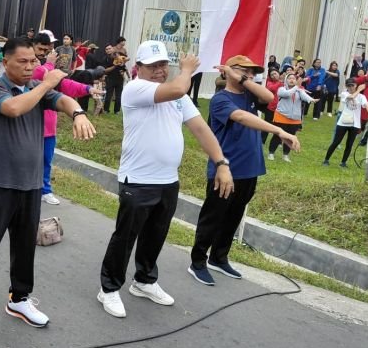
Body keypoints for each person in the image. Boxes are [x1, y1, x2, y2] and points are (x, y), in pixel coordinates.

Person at [0, 37, 95, 342]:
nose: (31, 66)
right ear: (6, 62)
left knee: (24, 248)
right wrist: (46, 84)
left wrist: (78, 113)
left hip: (30, 185)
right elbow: (15, 109)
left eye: (34, 61)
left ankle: (19, 299)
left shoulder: (36, 88)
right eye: (23, 61)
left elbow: (63, 100)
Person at [97, 41, 232, 319]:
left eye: (163, 65)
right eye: (153, 65)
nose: (160, 70)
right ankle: (108, 288)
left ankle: (144, 280)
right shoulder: (136, 88)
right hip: (138, 179)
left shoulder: (178, 97)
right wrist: (187, 70)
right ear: (139, 68)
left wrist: (221, 162)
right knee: (125, 236)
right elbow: (179, 87)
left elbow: (201, 129)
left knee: (155, 235)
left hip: (168, 180)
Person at [188, 56, 300, 285]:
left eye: (252, 72)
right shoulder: (220, 99)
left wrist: (244, 79)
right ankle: (197, 261)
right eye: (243, 70)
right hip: (226, 169)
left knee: (234, 216)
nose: (249, 75)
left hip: (250, 168)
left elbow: (269, 97)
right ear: (228, 71)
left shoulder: (250, 95)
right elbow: (241, 117)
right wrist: (279, 131)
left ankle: (219, 258)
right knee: (213, 217)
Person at [32, 41, 103, 205]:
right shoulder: (36, 71)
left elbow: (66, 85)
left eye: (46, 49)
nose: (43, 52)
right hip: (32, 128)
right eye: (40, 49)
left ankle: (45, 190)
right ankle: (29, 189)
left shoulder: (48, 70)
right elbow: (39, 76)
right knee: (29, 160)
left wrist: (87, 89)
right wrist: (50, 64)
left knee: (46, 161)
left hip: (49, 129)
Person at [268, 73, 316, 162]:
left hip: (294, 119)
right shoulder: (282, 89)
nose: (292, 80)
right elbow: (287, 94)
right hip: (281, 116)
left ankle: (285, 155)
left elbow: (304, 96)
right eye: (289, 78)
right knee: (277, 136)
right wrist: (296, 87)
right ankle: (271, 153)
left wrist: (311, 99)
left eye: (293, 78)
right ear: (286, 80)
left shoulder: (299, 90)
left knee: (290, 137)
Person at [324, 78, 368, 167]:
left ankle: (343, 162)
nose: (350, 87)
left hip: (355, 124)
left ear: (355, 85)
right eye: (348, 85)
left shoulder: (362, 97)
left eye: (352, 85)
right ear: (346, 86)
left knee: (349, 144)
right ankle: (326, 160)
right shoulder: (344, 94)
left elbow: (367, 106)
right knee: (336, 142)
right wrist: (359, 90)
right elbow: (351, 97)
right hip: (343, 122)